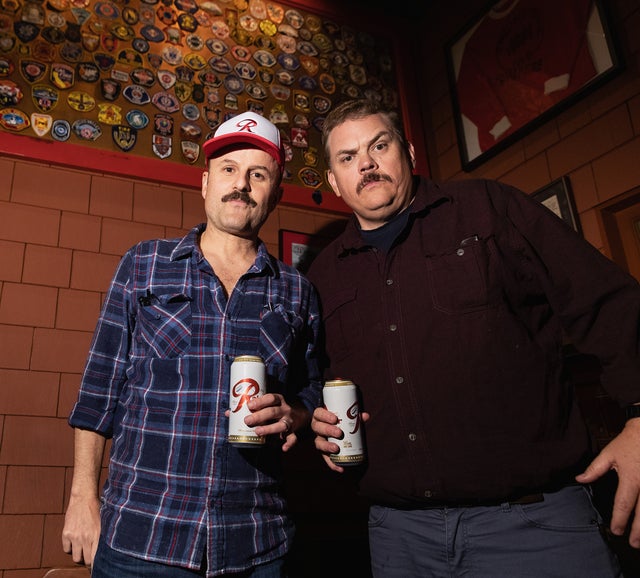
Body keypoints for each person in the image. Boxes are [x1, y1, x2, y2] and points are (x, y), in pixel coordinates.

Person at [308, 98, 640, 577]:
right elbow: (321, 381)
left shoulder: (488, 209)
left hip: (535, 527)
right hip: (400, 539)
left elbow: (606, 299)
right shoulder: (324, 275)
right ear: (336, 182)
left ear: (410, 153)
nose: (367, 163)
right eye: (348, 157)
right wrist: (319, 421)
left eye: (380, 145)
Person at [61, 111, 323, 578]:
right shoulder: (144, 264)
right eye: (228, 170)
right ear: (205, 184)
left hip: (257, 543)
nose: (240, 184)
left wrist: (295, 414)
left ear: (276, 194)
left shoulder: (297, 291)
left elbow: (311, 393)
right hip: (142, 537)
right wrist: (83, 498)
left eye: (257, 174)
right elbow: (99, 391)